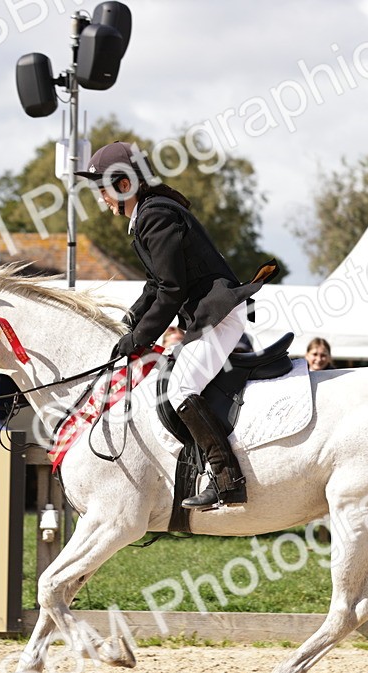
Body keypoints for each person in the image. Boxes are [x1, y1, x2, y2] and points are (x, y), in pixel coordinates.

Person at [75, 141, 270, 511]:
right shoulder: (148, 215)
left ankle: (227, 479)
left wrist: (139, 339)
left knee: (180, 388)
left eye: (101, 188)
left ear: (122, 184)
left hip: (217, 314)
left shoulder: (154, 216)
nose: (100, 199)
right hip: (207, 316)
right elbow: (156, 284)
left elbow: (172, 289)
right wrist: (130, 321)